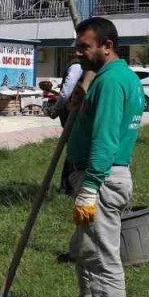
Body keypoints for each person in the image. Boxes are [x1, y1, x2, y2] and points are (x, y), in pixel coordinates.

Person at [57, 17, 143, 297]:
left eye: (84, 47)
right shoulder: (114, 77)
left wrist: (90, 186)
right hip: (100, 177)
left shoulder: (111, 83)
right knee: (85, 252)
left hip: (102, 180)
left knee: (104, 260)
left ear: (106, 46)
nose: (77, 52)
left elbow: (105, 140)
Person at [56, 56, 85, 196]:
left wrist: (56, 108)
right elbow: (67, 91)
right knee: (73, 149)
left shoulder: (77, 66)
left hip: (75, 113)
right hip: (73, 113)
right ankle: (68, 187)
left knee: (75, 150)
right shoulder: (79, 66)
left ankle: (69, 188)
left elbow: (66, 90)